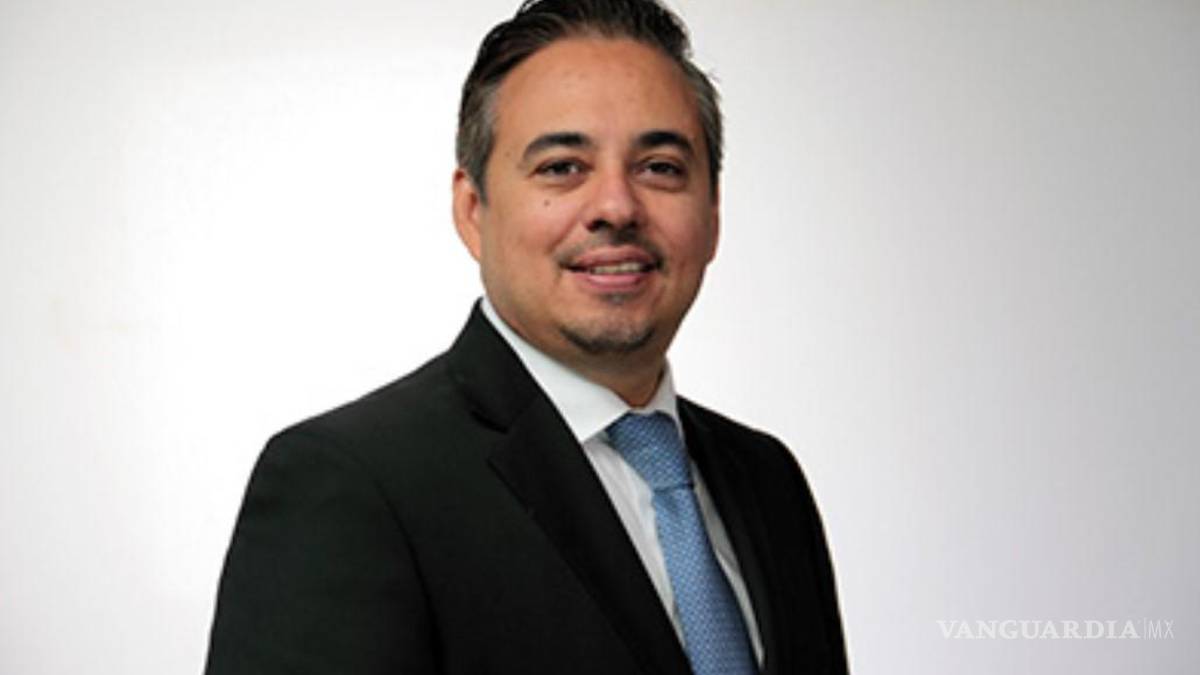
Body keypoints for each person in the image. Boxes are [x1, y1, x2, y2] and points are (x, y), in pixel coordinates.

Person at [204, 1, 847, 673]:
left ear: (712, 213)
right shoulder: (350, 487)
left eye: (659, 166)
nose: (617, 207)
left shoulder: (767, 481)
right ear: (472, 211)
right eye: (562, 166)